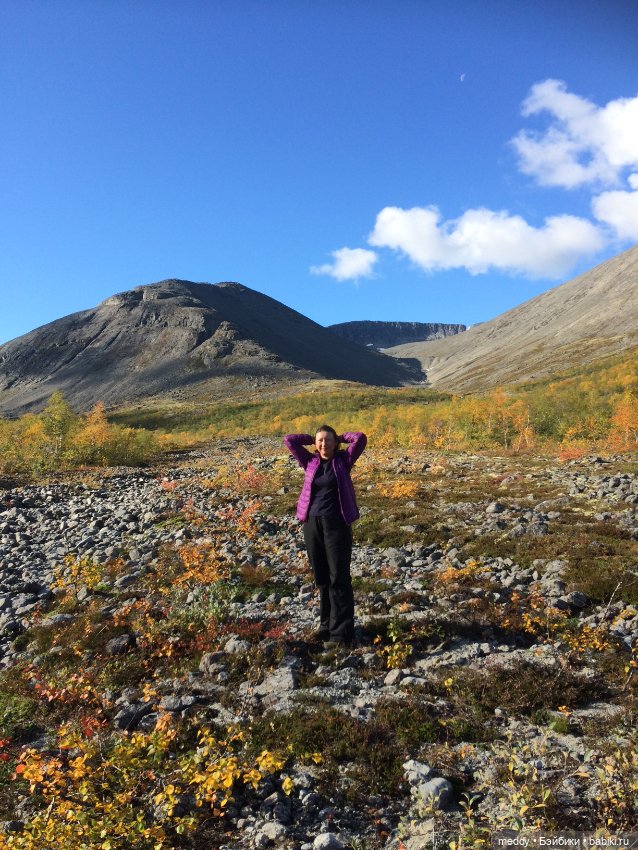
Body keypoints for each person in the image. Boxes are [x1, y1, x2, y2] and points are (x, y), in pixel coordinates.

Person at [284, 426, 367, 647]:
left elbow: (360, 438)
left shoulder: (343, 460)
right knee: (322, 578)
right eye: (320, 441)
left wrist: (340, 437)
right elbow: (290, 440)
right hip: (312, 523)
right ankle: (326, 626)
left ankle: (341, 634)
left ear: (335, 442)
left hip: (337, 523)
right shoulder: (309, 462)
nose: (323, 444)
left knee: (338, 576)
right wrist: (311, 437)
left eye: (328, 440)